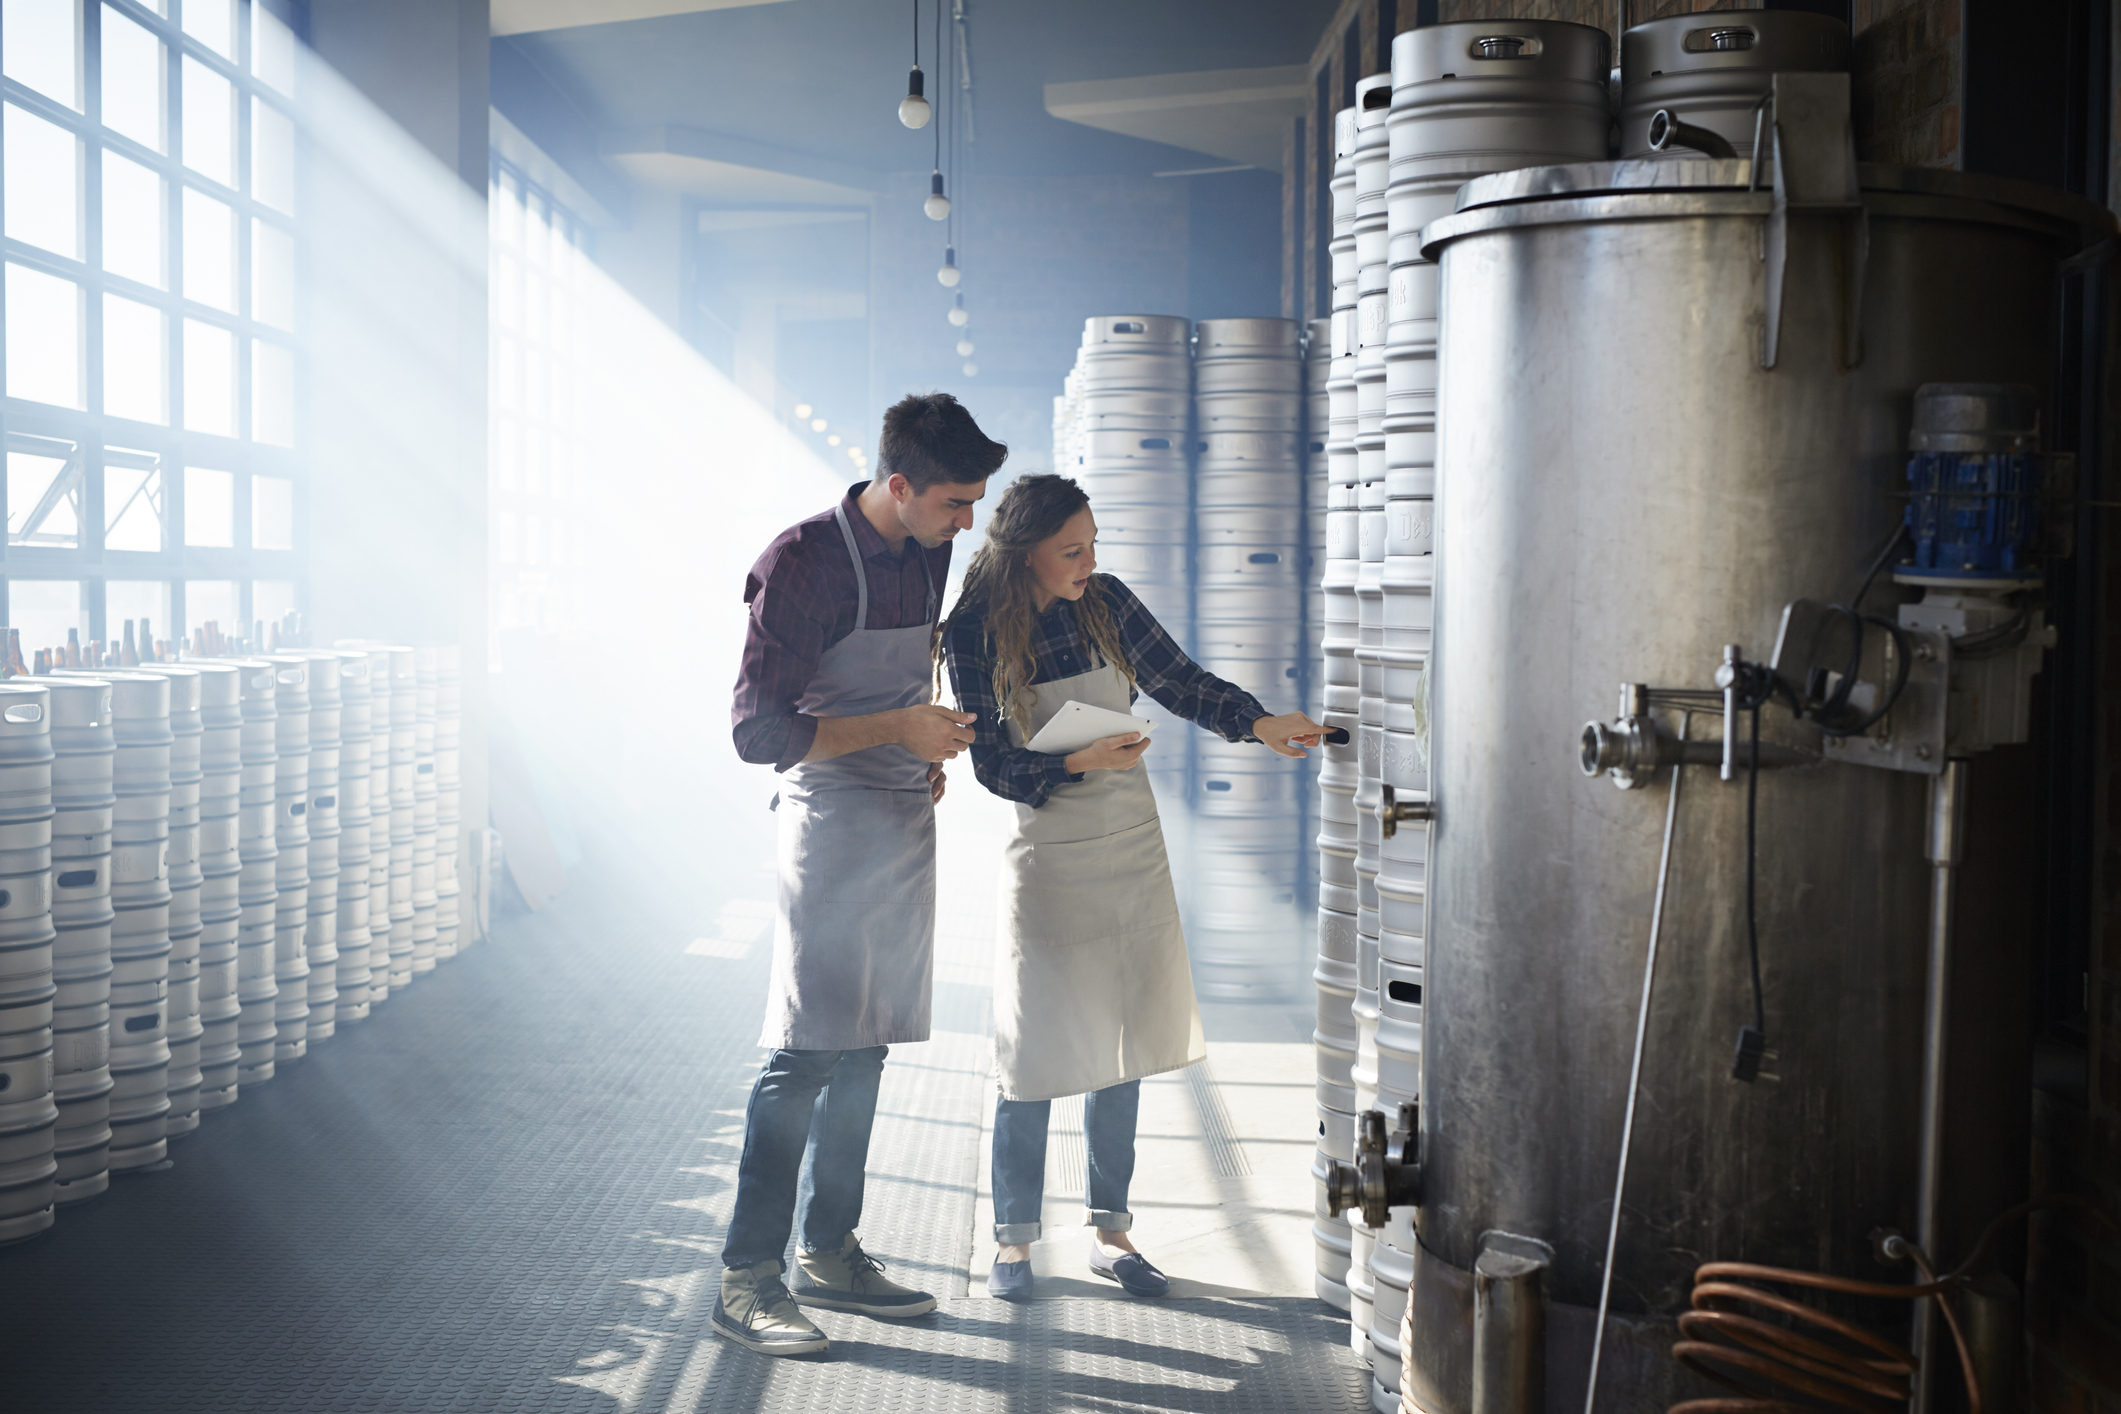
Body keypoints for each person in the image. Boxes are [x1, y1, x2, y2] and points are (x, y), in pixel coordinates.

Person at [939, 472, 1325, 1301]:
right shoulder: (972, 629)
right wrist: (1073, 759)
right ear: (1025, 552)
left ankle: (1110, 1234)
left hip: (1130, 846)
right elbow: (990, 765)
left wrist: (1258, 722)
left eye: (1092, 545)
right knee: (1032, 1047)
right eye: (1070, 550)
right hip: (1046, 856)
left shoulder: (1104, 602)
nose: (1087, 561)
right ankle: (1010, 1242)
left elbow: (1179, 681)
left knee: (1127, 1041)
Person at [716, 392, 1005, 1356]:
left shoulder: (929, 546)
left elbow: (901, 673)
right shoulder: (799, 563)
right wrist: (895, 729)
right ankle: (745, 1280)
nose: (967, 523)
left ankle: (828, 1253)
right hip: (829, 821)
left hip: (899, 814)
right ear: (898, 485)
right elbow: (758, 734)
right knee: (804, 1053)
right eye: (955, 503)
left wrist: (922, 748)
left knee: (868, 1044)